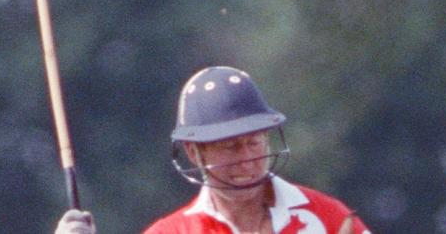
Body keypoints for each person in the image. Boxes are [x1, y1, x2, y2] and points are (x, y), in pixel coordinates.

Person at [55, 65, 370, 234]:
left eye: (254, 141)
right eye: (230, 147)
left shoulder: (328, 218)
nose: (247, 160)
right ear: (194, 153)